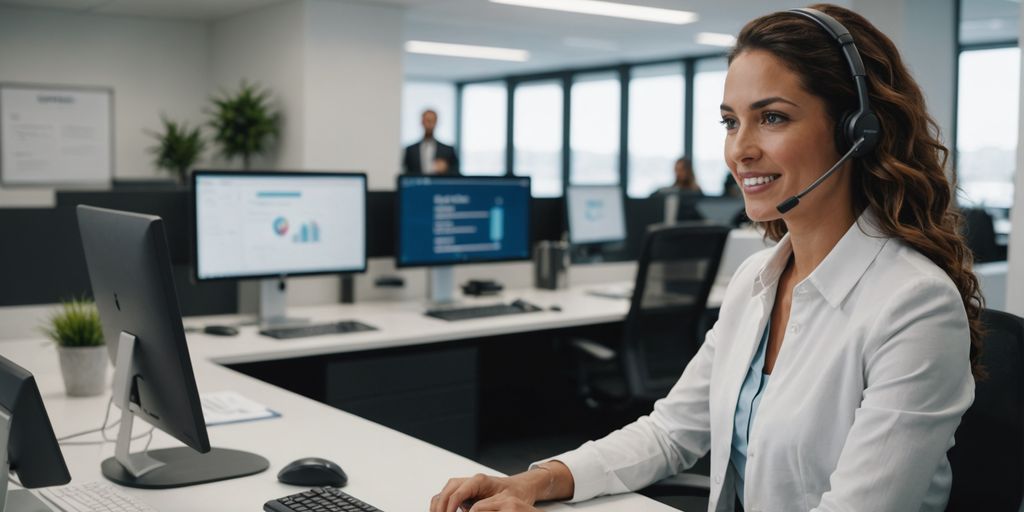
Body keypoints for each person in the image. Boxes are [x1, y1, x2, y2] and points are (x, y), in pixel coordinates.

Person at [430, 4, 984, 512]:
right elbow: (672, 432)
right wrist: (533, 481)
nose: (739, 149)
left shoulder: (913, 306)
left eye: (772, 118)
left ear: (856, 133)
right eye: (730, 120)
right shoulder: (756, 280)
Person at [403, 109, 460, 175]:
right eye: (427, 120)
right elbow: (406, 174)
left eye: (432, 121)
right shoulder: (411, 150)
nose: (429, 124)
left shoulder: (448, 150)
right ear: (422, 122)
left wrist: (446, 169)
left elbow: (457, 174)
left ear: (436, 122)